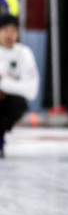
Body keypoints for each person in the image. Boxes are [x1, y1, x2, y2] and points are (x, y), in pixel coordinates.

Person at [0, 15, 39, 157]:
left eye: (13, 31)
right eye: (5, 30)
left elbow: (32, 91)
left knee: (18, 102)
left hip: (10, 103)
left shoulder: (24, 53)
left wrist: (4, 84)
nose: (9, 35)